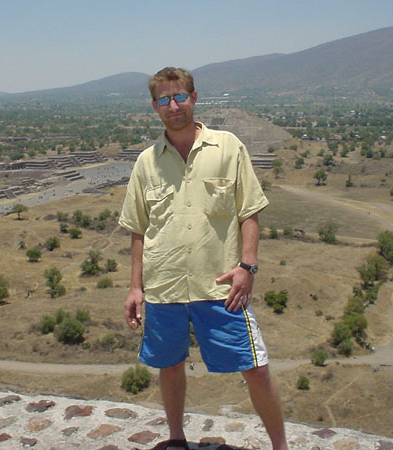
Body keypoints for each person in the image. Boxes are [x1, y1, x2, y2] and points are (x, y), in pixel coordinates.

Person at [119, 67, 288, 450]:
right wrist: (134, 287)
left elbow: (249, 212)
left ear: (194, 98)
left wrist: (248, 267)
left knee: (256, 369)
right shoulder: (147, 162)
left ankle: (281, 446)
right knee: (170, 365)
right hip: (166, 285)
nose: (173, 105)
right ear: (154, 106)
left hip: (221, 284)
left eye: (179, 96)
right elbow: (138, 230)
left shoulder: (228, 147)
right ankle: (176, 438)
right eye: (164, 99)